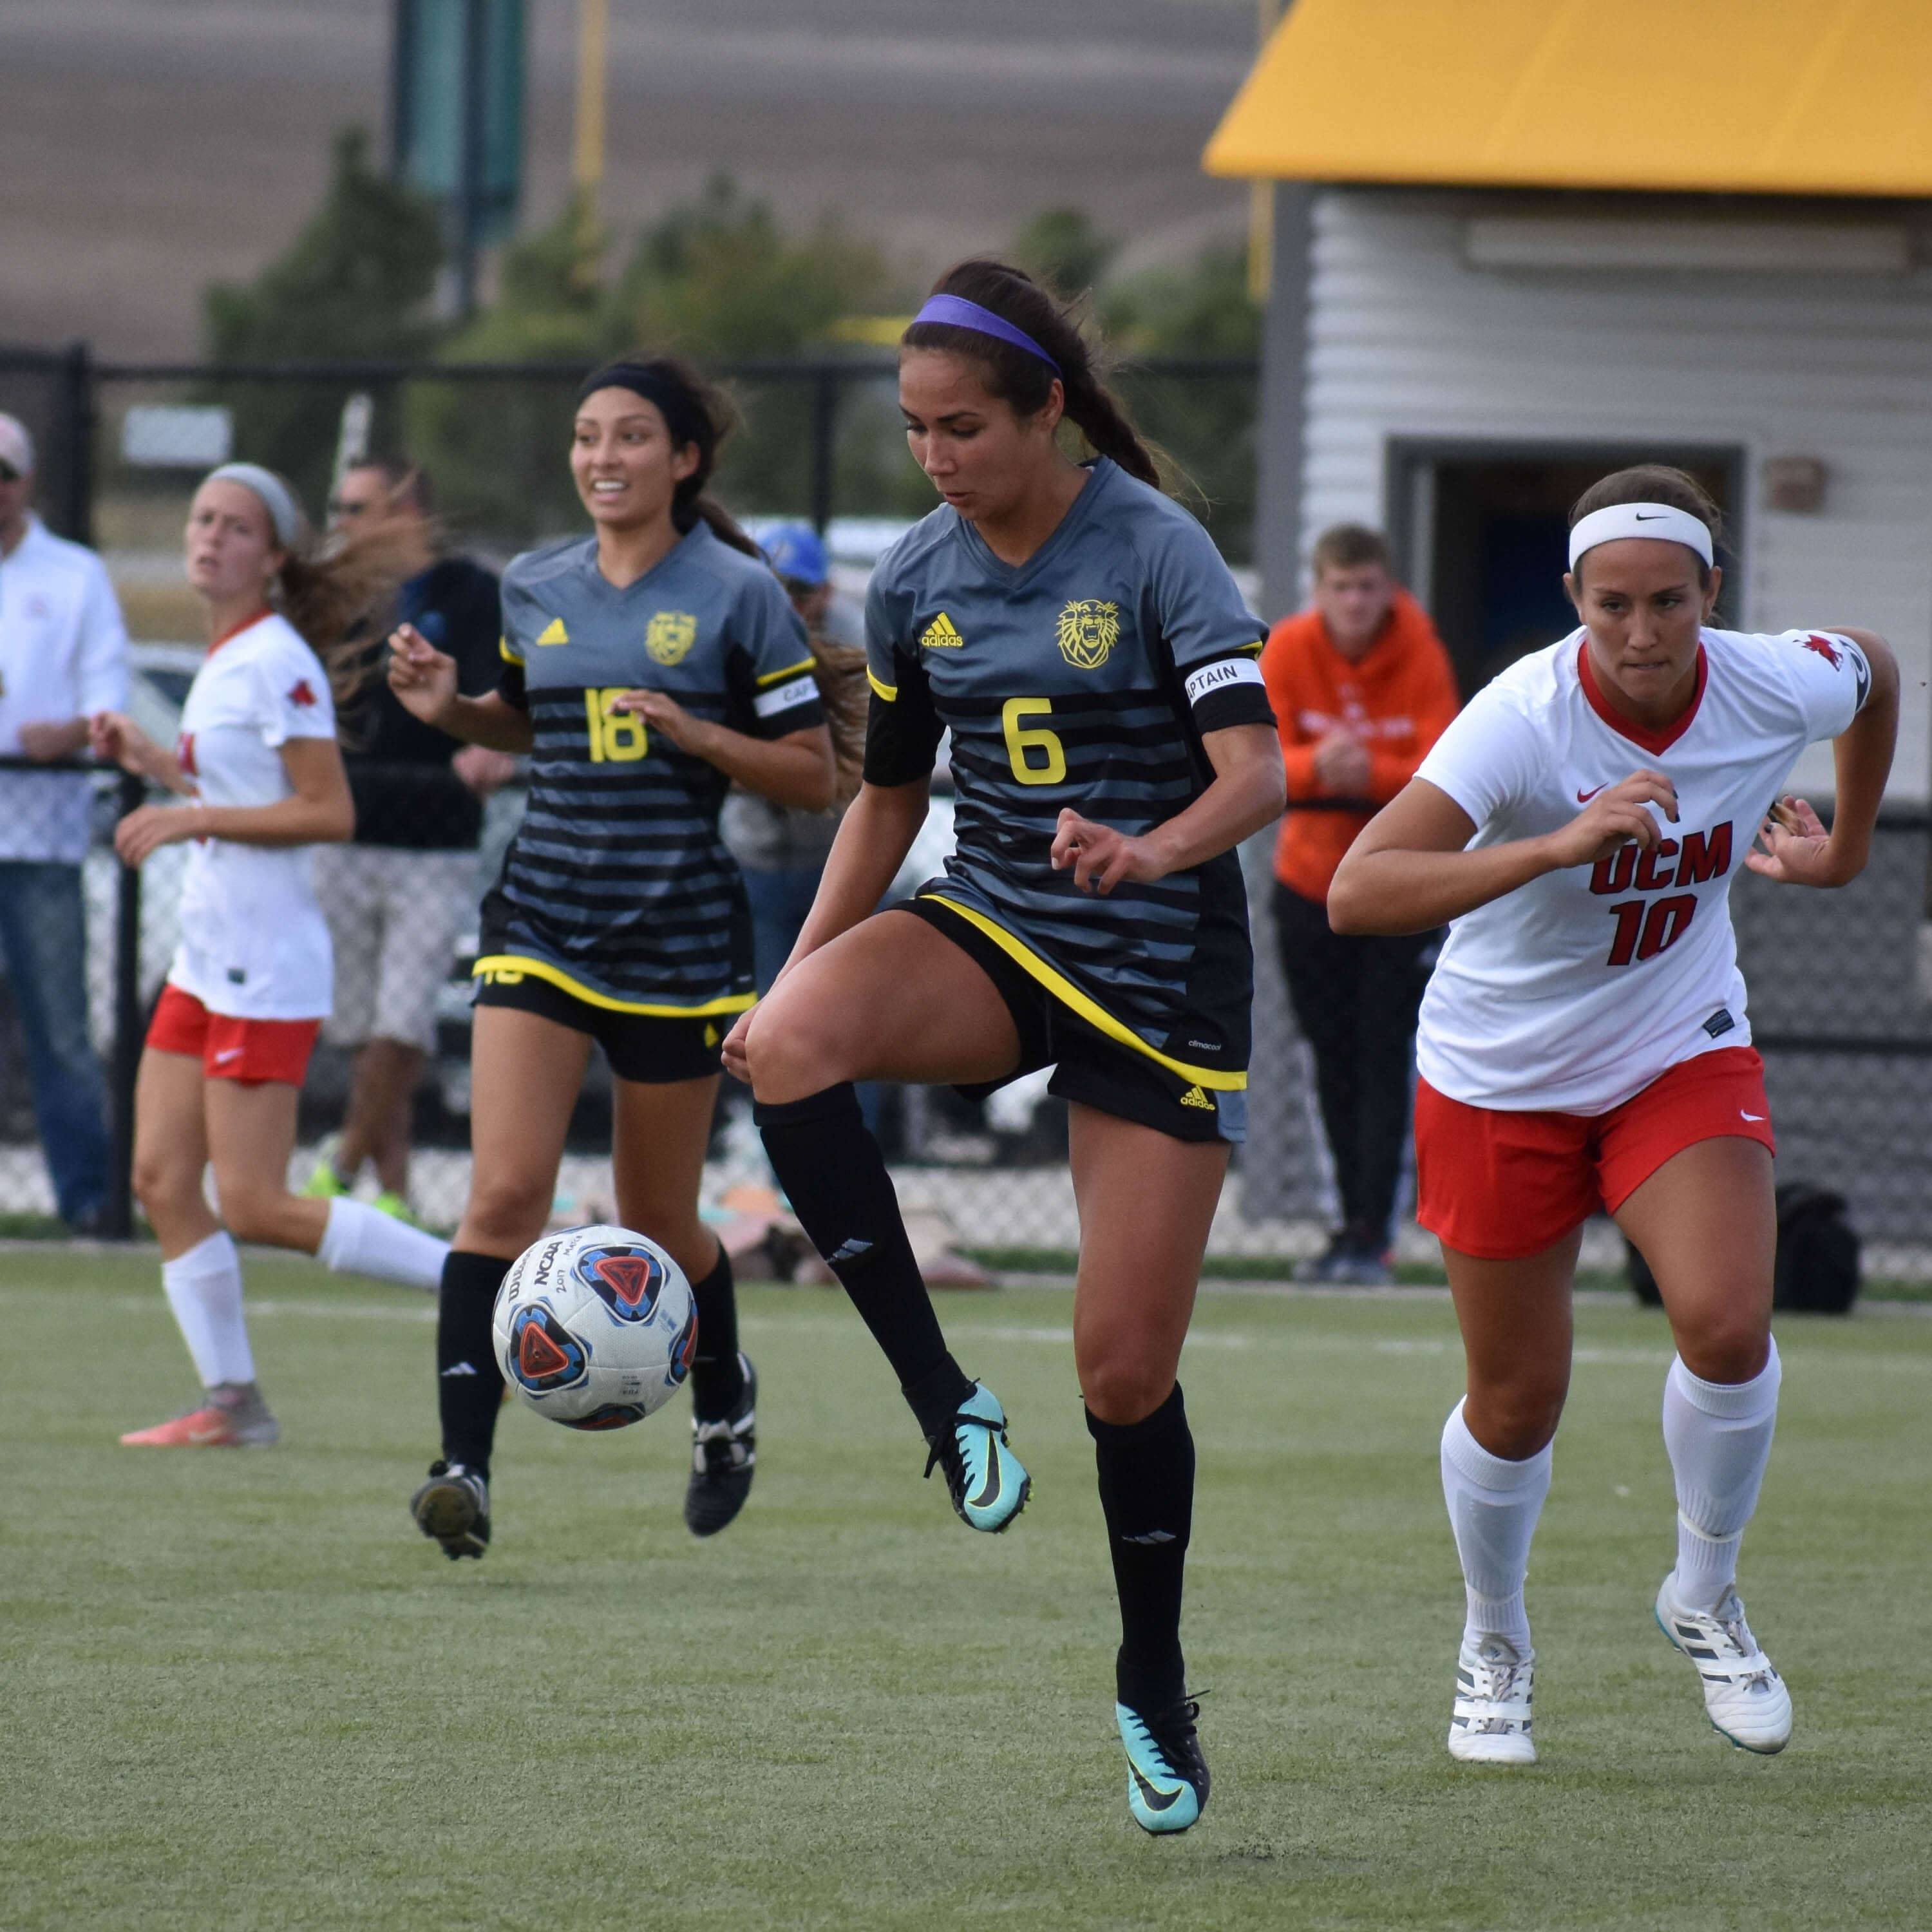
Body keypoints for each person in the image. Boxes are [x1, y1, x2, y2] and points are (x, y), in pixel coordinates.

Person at [726, 261, 1285, 1834]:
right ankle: (945, 1404)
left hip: (1159, 963)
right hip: (1002, 922)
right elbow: (890, 798)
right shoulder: (915, 575)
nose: (936, 458)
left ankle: (1151, 1676)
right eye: (914, 431)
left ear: (1047, 409)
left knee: (1123, 1371)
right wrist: (796, 974)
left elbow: (1257, 775)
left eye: (960, 427)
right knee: (792, 1043)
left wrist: (1149, 847)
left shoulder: (1157, 550)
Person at [1327, 464, 1897, 1765]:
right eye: (1613, 606)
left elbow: (1874, 669)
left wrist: (1849, 847)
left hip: (1671, 1046)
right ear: (1574, 600)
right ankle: (1494, 1638)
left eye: (1669, 603)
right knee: (1517, 1401)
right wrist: (1553, 845)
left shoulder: (1771, 681)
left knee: (1729, 1326)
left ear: (1713, 593)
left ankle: (1705, 1591)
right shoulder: (1522, 719)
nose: (1642, 634)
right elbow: (1359, 891)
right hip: (1500, 1071)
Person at [385, 355, 835, 1556]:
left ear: (683, 459)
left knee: (660, 1218)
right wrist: (452, 709)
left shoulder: (740, 594)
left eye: (630, 436)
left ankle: (723, 1400)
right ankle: (463, 1471)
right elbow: (528, 721)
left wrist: (698, 732)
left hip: (677, 935)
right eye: (587, 436)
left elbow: (813, 774)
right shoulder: (536, 583)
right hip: (541, 916)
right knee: (502, 1195)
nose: (602, 457)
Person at [91, 462, 453, 1448]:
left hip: (263, 965)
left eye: (237, 526)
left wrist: (191, 816)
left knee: (253, 1204)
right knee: (162, 1180)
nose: (210, 536)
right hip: (207, 959)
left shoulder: (274, 660)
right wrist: (153, 763)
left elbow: (326, 811)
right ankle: (235, 1405)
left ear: (276, 555)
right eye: (202, 519)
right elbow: (243, 792)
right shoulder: (226, 656)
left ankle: (472, 1283)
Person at [301, 458, 513, 1221]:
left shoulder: (470, 591)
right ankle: (393, 1193)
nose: (343, 524)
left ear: (407, 512)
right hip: (348, 830)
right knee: (360, 1027)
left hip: (436, 841)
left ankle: (341, 1163)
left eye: (356, 507)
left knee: (403, 1018)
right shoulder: (341, 597)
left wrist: (487, 743)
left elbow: (496, 696)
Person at [1260, 523, 1459, 1283]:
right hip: (1308, 885)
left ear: (1389, 589)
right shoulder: (1288, 649)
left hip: (1394, 887)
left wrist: (1366, 771)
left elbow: (1443, 761)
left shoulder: (1420, 650)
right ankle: (1345, 1223)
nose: (1354, 602)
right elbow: (1253, 759)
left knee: (1385, 1056)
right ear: (1319, 591)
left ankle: (1375, 1231)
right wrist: (1315, 766)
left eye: (1368, 587)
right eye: (1340, 588)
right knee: (1330, 1059)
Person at [0, 410, 127, 1232]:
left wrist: (75, 731)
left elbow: (108, 695)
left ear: (29, 480)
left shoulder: (76, 576)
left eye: (4, 475)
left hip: (42, 843)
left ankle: (87, 1200)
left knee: (60, 1033)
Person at [719, 522, 867, 991]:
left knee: (844, 1000)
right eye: (773, 590)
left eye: (799, 593)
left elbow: (870, 758)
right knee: (766, 1002)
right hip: (756, 856)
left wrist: (785, 766)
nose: (787, 605)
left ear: (825, 592)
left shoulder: (856, 638)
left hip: (841, 859)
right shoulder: (733, 634)